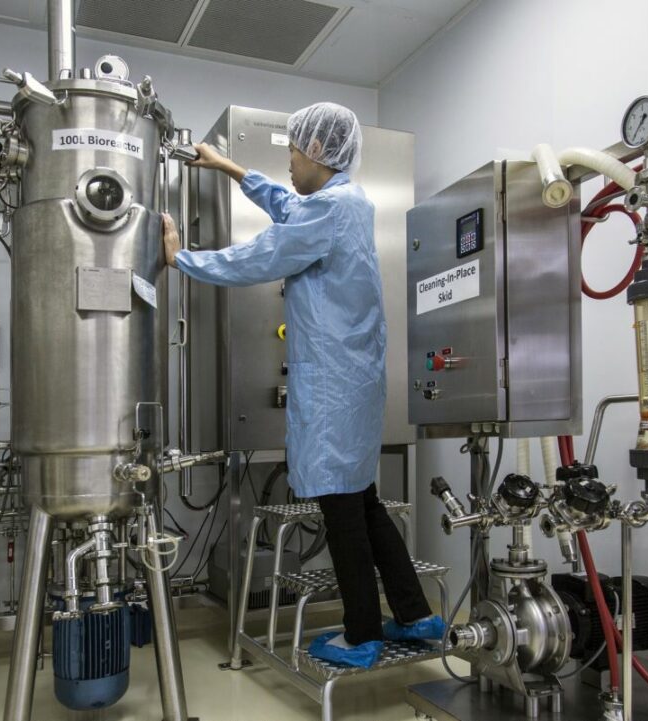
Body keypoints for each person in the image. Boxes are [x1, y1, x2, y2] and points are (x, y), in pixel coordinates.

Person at [161, 102, 443, 669]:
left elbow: (264, 253)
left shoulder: (331, 209)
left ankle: (361, 632)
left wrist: (182, 259)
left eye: (292, 150)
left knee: (344, 511)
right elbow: (288, 206)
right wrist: (229, 168)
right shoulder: (346, 203)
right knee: (364, 501)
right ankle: (415, 615)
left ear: (317, 152)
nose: (288, 160)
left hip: (334, 384)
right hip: (353, 381)